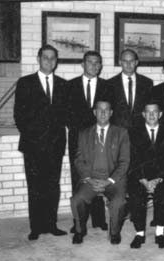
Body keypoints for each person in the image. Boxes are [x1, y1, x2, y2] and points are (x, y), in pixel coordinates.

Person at [14, 44, 68, 240]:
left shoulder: (63, 84)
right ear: (38, 59)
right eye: (45, 57)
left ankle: (51, 225)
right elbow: (19, 116)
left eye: (53, 58)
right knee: (35, 187)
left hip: (55, 146)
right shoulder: (25, 83)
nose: (49, 61)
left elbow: (64, 116)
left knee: (52, 187)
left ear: (56, 61)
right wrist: (37, 140)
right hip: (33, 146)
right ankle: (35, 227)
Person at [70, 100, 130, 245]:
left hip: (113, 180)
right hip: (92, 179)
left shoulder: (121, 133)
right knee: (76, 200)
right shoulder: (84, 133)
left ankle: (115, 232)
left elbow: (125, 162)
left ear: (111, 113)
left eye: (106, 110)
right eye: (99, 110)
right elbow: (78, 160)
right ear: (94, 112)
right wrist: (89, 179)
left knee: (118, 203)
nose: (103, 113)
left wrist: (109, 181)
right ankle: (79, 230)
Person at [67, 51, 109, 233]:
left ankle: (99, 219)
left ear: (100, 65)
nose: (94, 65)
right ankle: (79, 221)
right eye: (90, 62)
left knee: (99, 176)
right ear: (82, 64)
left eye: (97, 63)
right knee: (78, 178)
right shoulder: (70, 85)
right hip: (77, 139)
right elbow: (65, 113)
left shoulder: (107, 86)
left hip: (100, 139)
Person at [128, 101, 164, 249]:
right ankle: (139, 233)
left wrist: (158, 179)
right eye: (148, 112)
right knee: (135, 195)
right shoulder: (134, 132)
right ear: (143, 114)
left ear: (160, 114)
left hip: (162, 177)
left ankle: (160, 233)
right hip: (140, 177)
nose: (152, 115)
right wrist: (144, 180)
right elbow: (132, 158)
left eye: (155, 111)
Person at [107, 48, 153, 130]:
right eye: (125, 61)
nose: (128, 64)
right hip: (118, 131)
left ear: (136, 62)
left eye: (131, 61)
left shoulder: (147, 83)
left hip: (141, 131)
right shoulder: (110, 83)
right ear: (120, 62)